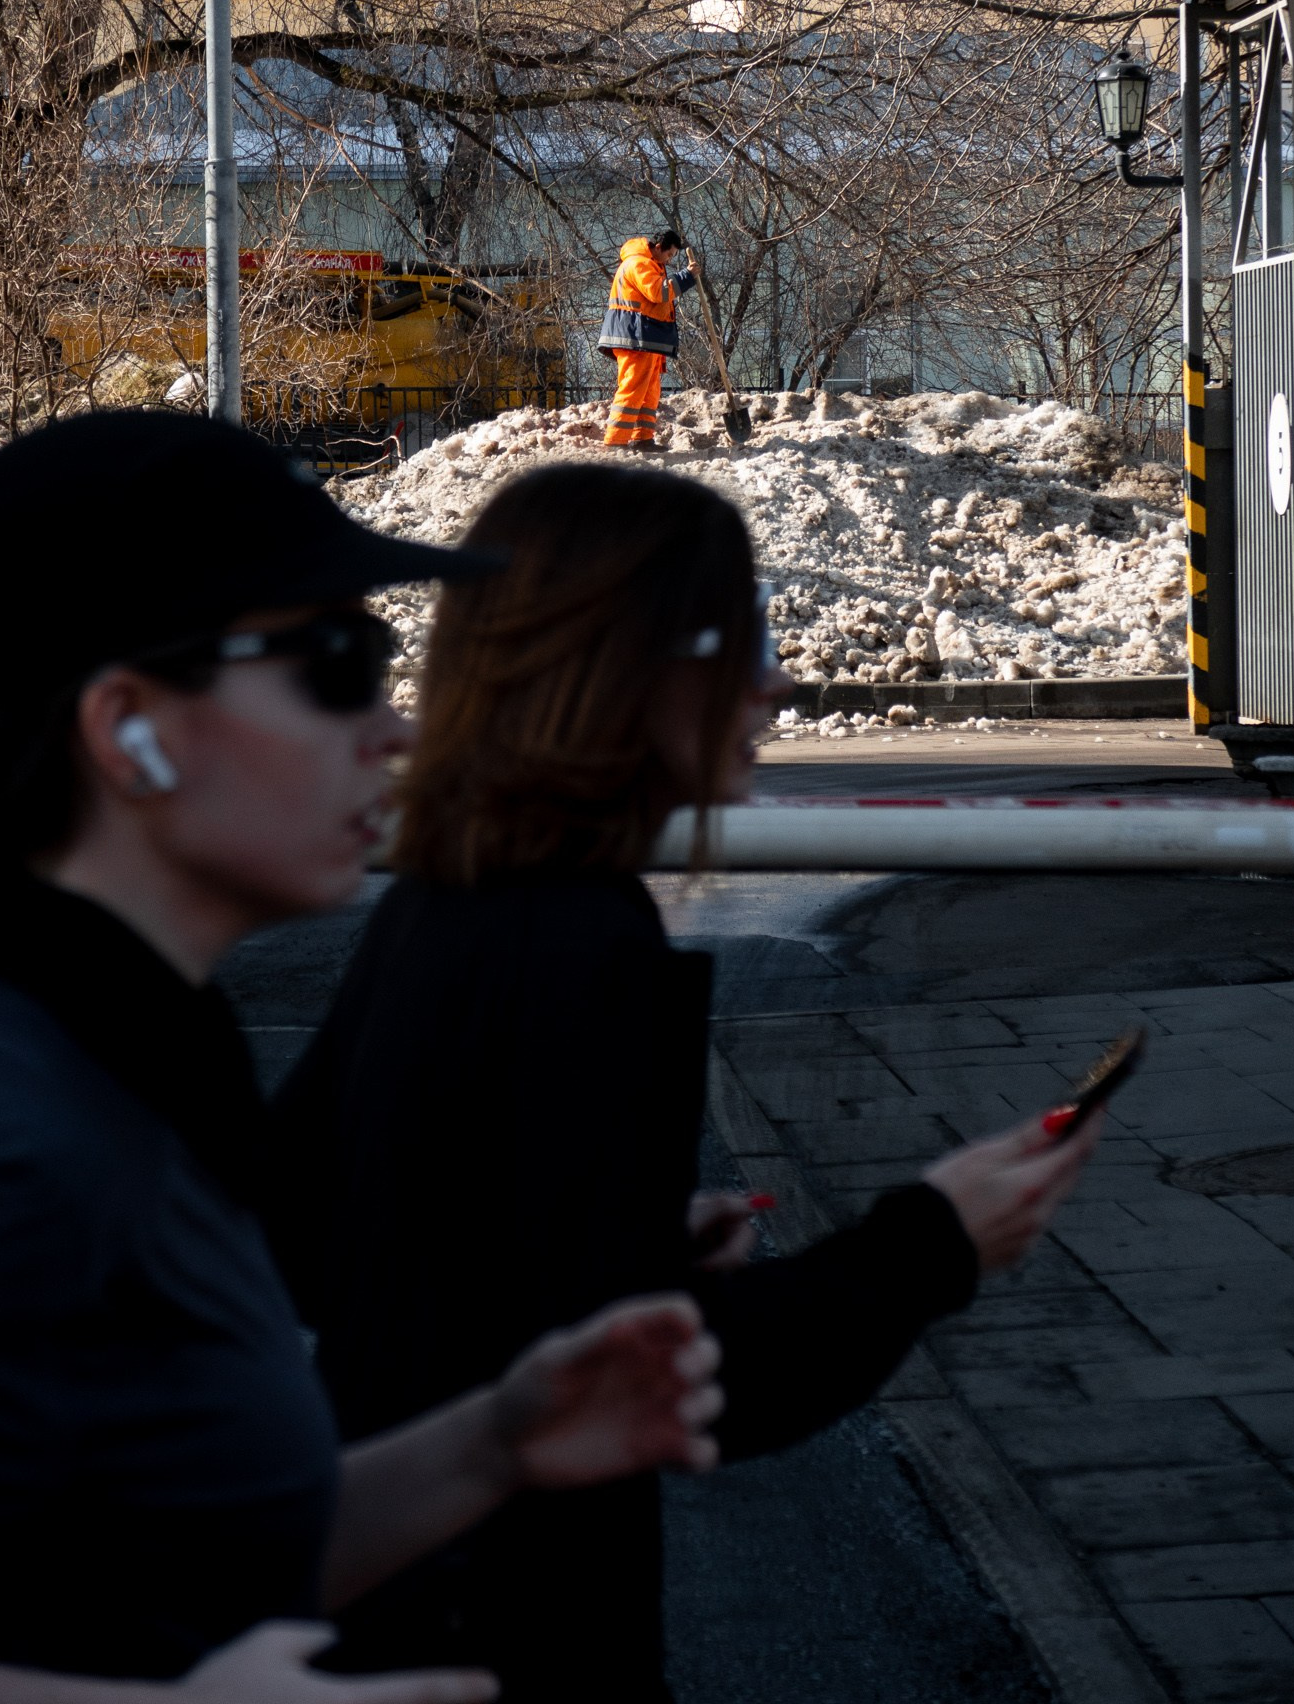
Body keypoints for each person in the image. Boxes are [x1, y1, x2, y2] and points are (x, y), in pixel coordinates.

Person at [267, 461, 1101, 1704]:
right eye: (740, 635)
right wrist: (937, 1239)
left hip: (403, 1588)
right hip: (514, 1617)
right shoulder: (579, 941)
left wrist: (619, 1230)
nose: (772, 679)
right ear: (626, 666)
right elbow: (647, 1381)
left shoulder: (452, 899)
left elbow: (345, 1230)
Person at [0, 414, 725, 1704]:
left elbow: (172, 1567)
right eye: (337, 660)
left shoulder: (130, 1062)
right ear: (129, 726)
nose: (396, 727)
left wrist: (493, 1441)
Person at [599, 230, 699, 449]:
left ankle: (643, 438)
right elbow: (657, 292)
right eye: (670, 254)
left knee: (649, 390)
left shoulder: (651, 264)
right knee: (633, 387)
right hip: (634, 337)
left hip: (645, 337)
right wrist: (686, 277)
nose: (670, 259)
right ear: (659, 246)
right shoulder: (639, 264)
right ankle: (615, 441)